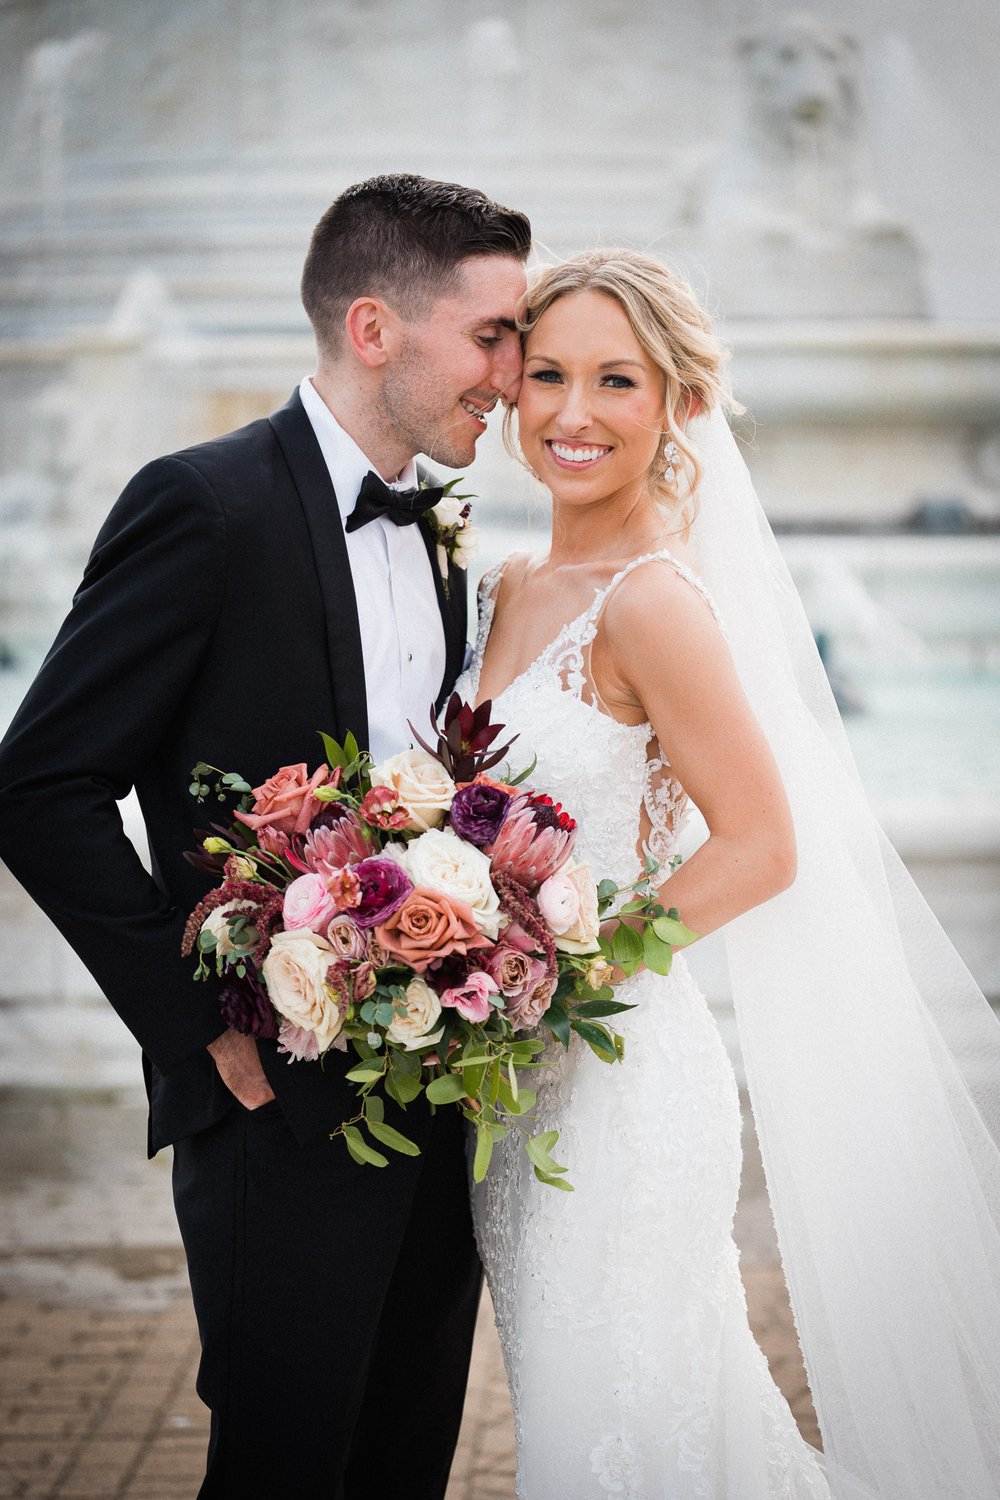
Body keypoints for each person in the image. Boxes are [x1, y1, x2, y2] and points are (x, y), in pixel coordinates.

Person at [0, 173, 530, 1499]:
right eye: (492, 337)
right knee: (284, 1467)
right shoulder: (206, 504)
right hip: (274, 1106)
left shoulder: (447, 533)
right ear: (373, 330)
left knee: (402, 1459)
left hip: (434, 1098)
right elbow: (41, 782)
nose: (513, 378)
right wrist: (201, 1028)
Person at [456, 249, 1000, 1498]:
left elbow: (760, 844)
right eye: (545, 375)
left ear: (679, 405)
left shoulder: (653, 605)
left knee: (620, 1437)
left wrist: (563, 970)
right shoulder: (505, 586)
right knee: (619, 1423)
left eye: (614, 381)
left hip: (619, 1083)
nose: (571, 414)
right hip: (510, 1091)